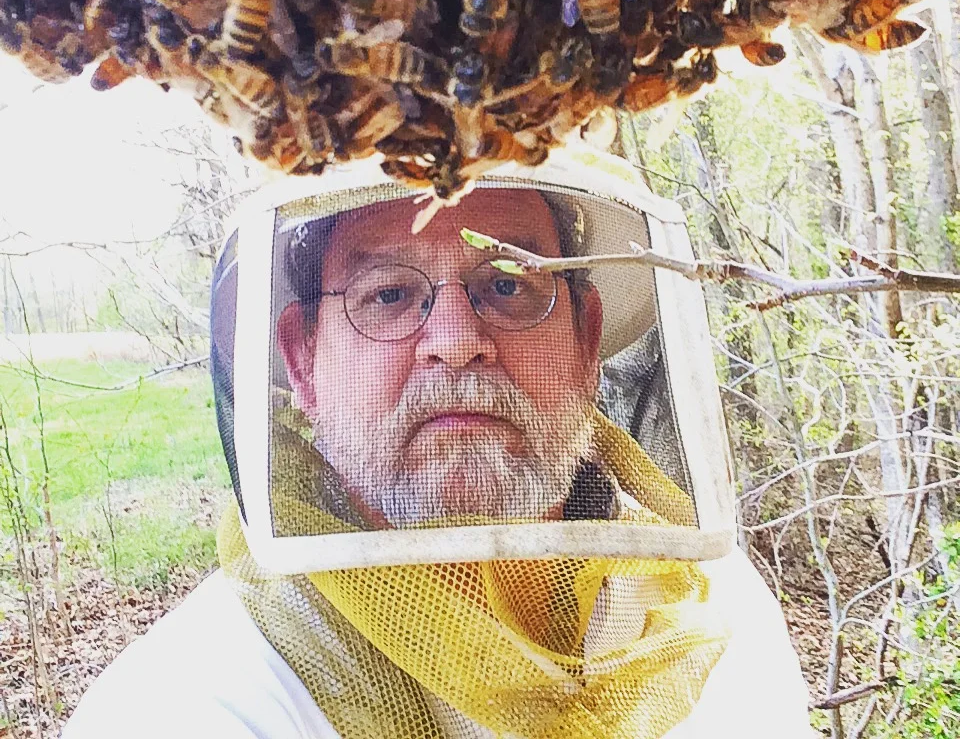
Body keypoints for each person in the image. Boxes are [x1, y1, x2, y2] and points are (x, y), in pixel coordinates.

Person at [63, 150, 816, 739]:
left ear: (587, 342)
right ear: (303, 364)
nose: (457, 343)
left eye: (510, 286)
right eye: (387, 295)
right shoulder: (194, 705)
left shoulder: (719, 613)